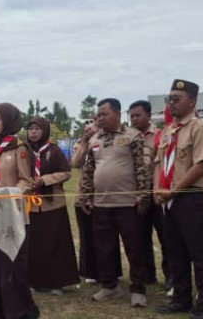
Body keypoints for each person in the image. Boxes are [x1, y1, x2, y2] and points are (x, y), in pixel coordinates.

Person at [153, 80, 203, 319]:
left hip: (190, 197)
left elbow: (200, 165)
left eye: (177, 98)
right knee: (175, 251)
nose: (172, 102)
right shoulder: (168, 130)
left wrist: (174, 191)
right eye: (170, 98)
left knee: (199, 253)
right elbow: (159, 163)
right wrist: (157, 190)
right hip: (167, 199)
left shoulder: (199, 128)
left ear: (192, 101)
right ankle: (181, 299)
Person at [79, 98, 150, 308]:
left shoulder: (132, 136)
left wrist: (144, 195)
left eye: (104, 114)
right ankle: (109, 285)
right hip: (101, 204)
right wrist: (85, 196)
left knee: (135, 249)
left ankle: (137, 290)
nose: (99, 118)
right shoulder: (95, 139)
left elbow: (142, 167)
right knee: (104, 248)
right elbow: (88, 171)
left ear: (118, 114)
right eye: (98, 115)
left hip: (128, 203)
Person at [0, 103, 39, 319]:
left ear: (9, 120)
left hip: (14, 214)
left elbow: (26, 180)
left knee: (13, 264)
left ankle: (20, 310)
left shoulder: (19, 148)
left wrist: (11, 194)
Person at [25, 116, 79, 295]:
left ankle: (56, 282)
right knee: (33, 244)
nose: (33, 132)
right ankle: (33, 281)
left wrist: (45, 180)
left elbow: (66, 172)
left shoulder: (54, 150)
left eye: (37, 129)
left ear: (44, 131)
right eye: (30, 128)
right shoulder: (23, 151)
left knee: (55, 242)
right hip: (31, 204)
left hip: (52, 203)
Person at [72, 118, 122, 285]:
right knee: (87, 236)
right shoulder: (81, 143)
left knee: (107, 237)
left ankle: (111, 271)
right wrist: (85, 144)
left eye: (92, 123)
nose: (89, 127)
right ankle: (90, 271)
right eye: (86, 124)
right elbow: (76, 163)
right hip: (83, 196)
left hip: (103, 195)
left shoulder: (106, 141)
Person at [128, 99, 171, 289]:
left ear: (149, 116)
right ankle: (147, 275)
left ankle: (171, 276)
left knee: (166, 237)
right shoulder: (128, 137)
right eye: (132, 116)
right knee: (140, 237)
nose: (134, 119)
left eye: (138, 115)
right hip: (137, 195)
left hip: (158, 194)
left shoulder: (160, 136)